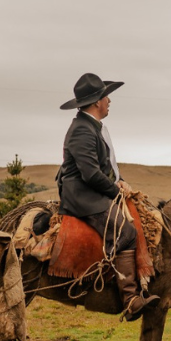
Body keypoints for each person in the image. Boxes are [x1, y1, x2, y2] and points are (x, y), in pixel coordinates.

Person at [56, 73, 159, 321]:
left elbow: (106, 166)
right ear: (96, 102)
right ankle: (130, 299)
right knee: (125, 231)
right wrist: (116, 191)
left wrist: (120, 179)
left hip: (92, 191)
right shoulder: (82, 129)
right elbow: (90, 174)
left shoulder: (93, 126)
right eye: (106, 97)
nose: (110, 101)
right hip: (82, 196)